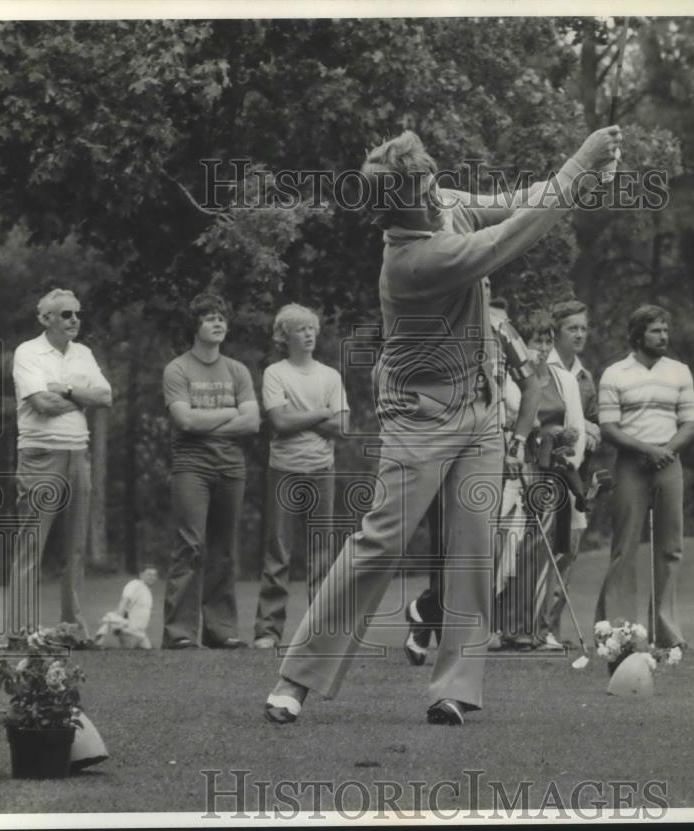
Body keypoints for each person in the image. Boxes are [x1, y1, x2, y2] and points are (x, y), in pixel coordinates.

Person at [266, 124, 623, 726]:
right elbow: (516, 233)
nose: (439, 187)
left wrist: (579, 182)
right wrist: (581, 162)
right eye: (427, 182)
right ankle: (297, 677)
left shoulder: (444, 205)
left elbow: (516, 202)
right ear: (405, 200)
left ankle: (453, 688)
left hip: (480, 408)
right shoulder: (415, 262)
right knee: (379, 542)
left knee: (473, 547)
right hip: (418, 416)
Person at [403, 282, 540, 664]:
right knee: (444, 545)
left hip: (486, 452)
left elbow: (532, 386)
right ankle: (433, 621)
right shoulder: (434, 324)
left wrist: (518, 442)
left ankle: (427, 614)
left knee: (475, 547)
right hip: (439, 447)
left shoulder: (501, 328)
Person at [9, 288, 112, 638]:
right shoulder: (28, 352)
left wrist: (66, 390)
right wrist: (83, 399)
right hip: (40, 454)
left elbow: (106, 396)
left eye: (77, 314)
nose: (74, 320)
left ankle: (72, 629)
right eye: (66, 314)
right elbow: (41, 404)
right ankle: (21, 632)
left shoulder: (83, 353)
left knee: (76, 547)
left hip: (78, 455)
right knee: (31, 543)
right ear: (46, 319)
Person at [594, 305, 694, 648]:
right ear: (638, 335)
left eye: (666, 330)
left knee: (671, 547)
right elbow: (608, 427)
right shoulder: (615, 373)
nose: (664, 336)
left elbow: (690, 423)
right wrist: (647, 450)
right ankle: (619, 631)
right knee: (624, 547)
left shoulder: (680, 371)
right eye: (656, 330)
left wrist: (666, 450)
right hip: (631, 463)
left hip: (669, 462)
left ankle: (665, 631)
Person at [162, 292, 261, 649]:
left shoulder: (237, 370)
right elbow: (184, 420)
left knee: (223, 549)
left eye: (222, 317)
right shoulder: (178, 369)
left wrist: (208, 423)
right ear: (196, 326)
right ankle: (180, 634)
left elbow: (253, 423)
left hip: (231, 466)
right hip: (192, 466)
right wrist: (230, 413)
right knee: (190, 545)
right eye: (210, 318)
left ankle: (221, 632)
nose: (218, 322)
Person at [253, 304, 349, 650]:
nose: (309, 334)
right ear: (284, 336)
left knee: (322, 552)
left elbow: (343, 426)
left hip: (322, 470)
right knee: (278, 551)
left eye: (312, 328)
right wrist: (323, 413)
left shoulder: (330, 376)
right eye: (300, 329)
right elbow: (279, 422)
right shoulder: (275, 373)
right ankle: (268, 630)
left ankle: (319, 631)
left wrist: (305, 415)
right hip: (283, 470)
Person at [498, 312, 585, 651]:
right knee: (511, 546)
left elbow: (574, 424)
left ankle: (533, 628)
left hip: (551, 473)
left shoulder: (564, 380)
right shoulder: (509, 377)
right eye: (538, 341)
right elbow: (510, 417)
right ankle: (505, 626)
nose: (544, 348)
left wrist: (566, 455)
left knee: (542, 552)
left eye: (549, 341)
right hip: (518, 470)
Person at [542, 299, 603, 645]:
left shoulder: (585, 376)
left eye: (583, 328)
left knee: (569, 550)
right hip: (546, 473)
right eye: (572, 328)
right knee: (544, 550)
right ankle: (534, 628)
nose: (580, 334)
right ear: (556, 333)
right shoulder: (543, 367)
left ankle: (551, 629)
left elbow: (590, 419)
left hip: (576, 475)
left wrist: (594, 430)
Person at [95, 564, 159, 649]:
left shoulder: (146, 590)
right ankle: (101, 644)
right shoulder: (135, 585)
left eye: (154, 575)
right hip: (129, 630)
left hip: (140, 632)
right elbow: (123, 603)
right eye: (149, 574)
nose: (152, 577)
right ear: (141, 575)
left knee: (149, 650)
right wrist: (118, 623)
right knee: (130, 651)